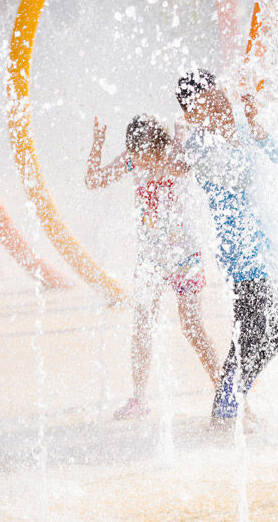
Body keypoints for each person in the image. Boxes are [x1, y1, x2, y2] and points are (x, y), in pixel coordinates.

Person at [85, 113, 220, 419]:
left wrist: (181, 136)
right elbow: (93, 181)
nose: (138, 161)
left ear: (158, 146)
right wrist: (98, 145)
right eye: (134, 153)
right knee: (143, 326)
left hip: (185, 257)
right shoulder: (135, 159)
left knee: (192, 327)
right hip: (151, 259)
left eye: (142, 154)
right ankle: (139, 399)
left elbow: (178, 167)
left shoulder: (176, 153)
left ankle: (224, 391)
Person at [176, 69, 278, 423]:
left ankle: (231, 404)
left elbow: (274, 157)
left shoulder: (235, 130)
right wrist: (233, 131)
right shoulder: (198, 142)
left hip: (265, 248)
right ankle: (226, 412)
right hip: (240, 253)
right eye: (206, 100)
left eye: (217, 94)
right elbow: (237, 174)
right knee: (253, 330)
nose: (218, 103)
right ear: (191, 112)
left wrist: (255, 124)